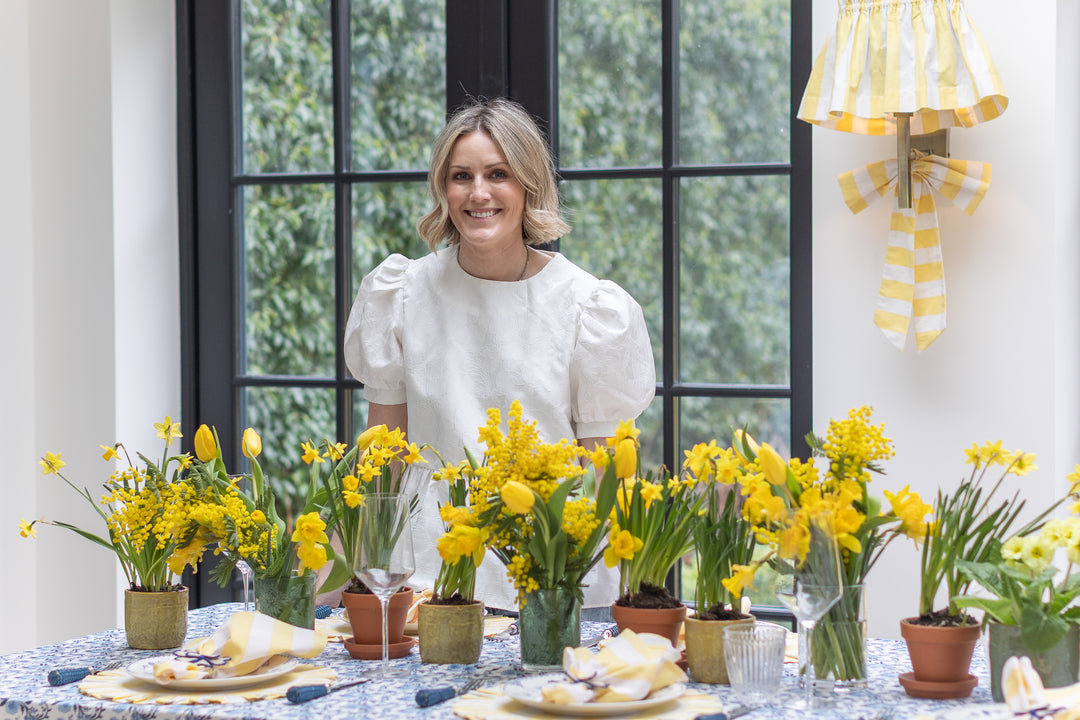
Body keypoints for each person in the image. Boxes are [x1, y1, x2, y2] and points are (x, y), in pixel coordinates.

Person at [343, 97, 655, 611]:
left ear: (528, 184)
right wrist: (354, 570)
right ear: (444, 188)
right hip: (429, 564)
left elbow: (604, 471)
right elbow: (386, 456)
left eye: (498, 174)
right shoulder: (399, 294)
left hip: (552, 560)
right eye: (461, 175)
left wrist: (636, 588)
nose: (478, 192)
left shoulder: (589, 307)